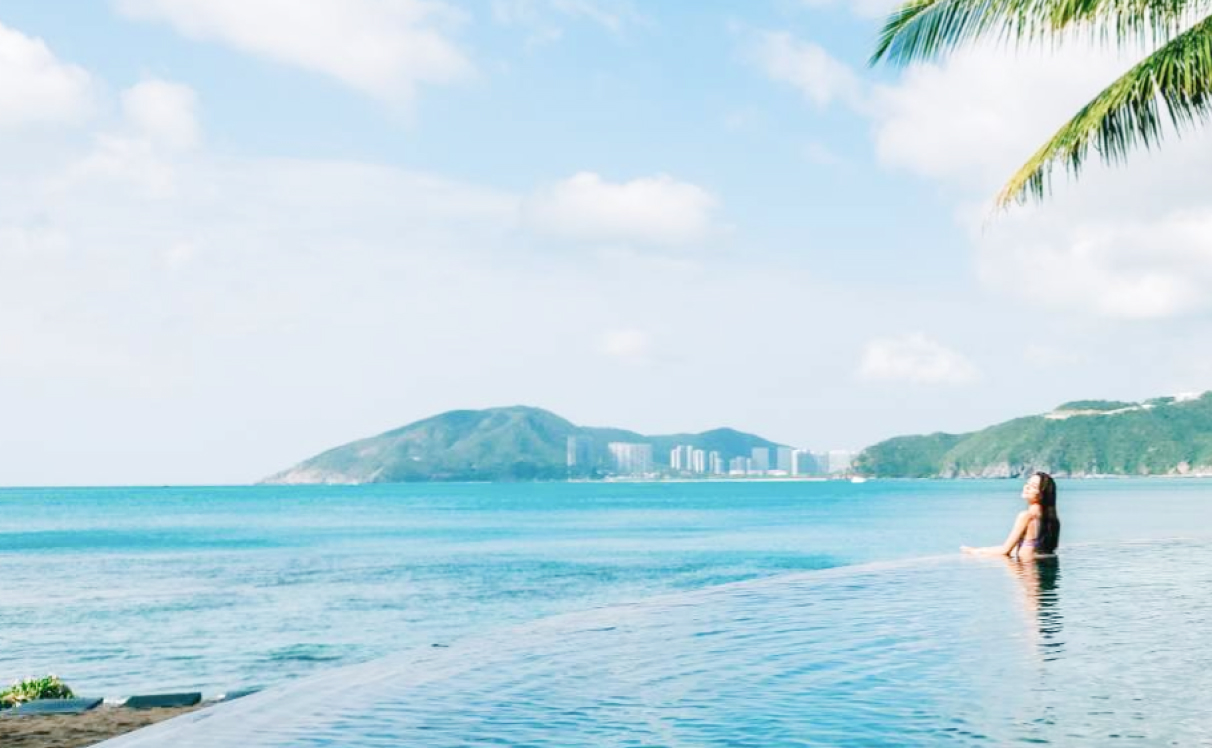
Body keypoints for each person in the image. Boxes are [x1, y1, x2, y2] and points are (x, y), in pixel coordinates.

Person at [961, 472, 1060, 559]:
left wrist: (975, 551)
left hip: (1027, 574)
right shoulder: (1052, 520)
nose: (1026, 487)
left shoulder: (1026, 516)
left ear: (1042, 494)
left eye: (1033, 486)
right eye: (1027, 483)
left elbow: (1005, 551)